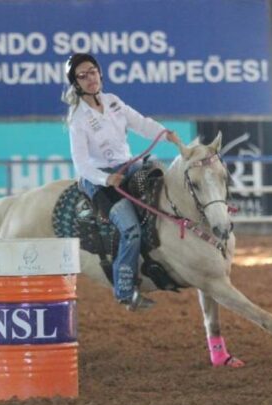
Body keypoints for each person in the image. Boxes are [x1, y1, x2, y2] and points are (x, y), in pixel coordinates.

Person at [62, 53, 182, 310]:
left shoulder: (113, 101)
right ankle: (125, 290)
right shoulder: (78, 119)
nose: (90, 78)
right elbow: (81, 164)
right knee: (130, 228)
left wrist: (164, 133)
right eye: (82, 75)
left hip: (128, 167)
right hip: (99, 180)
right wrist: (106, 178)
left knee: (159, 181)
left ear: (100, 73)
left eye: (92, 71)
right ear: (76, 84)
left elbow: (140, 123)